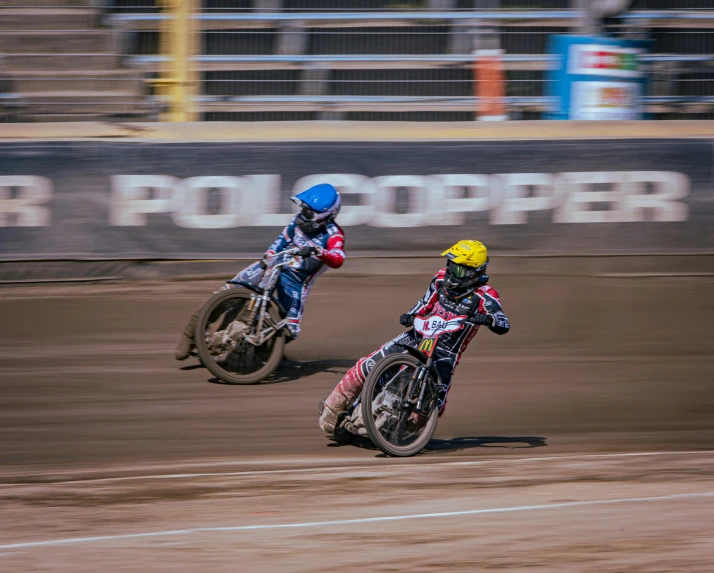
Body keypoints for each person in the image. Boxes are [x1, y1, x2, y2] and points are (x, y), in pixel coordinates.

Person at [318, 239, 509, 434]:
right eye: (451, 265)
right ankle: (332, 409)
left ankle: (398, 435)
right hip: (418, 336)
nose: (451, 272)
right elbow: (424, 304)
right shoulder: (440, 279)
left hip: (445, 353)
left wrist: (489, 319)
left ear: (473, 272)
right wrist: (410, 314)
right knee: (367, 364)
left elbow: (502, 321)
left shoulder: (486, 295)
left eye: (458, 269)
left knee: (434, 406)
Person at [175, 183, 345, 360]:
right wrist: (269, 255)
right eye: (302, 209)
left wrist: (319, 251)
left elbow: (338, 258)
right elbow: (280, 242)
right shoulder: (297, 221)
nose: (302, 215)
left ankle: (263, 352)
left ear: (325, 216)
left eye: (308, 212)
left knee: (289, 330)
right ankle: (189, 334)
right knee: (227, 293)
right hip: (273, 265)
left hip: (296, 282)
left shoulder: (334, 234)